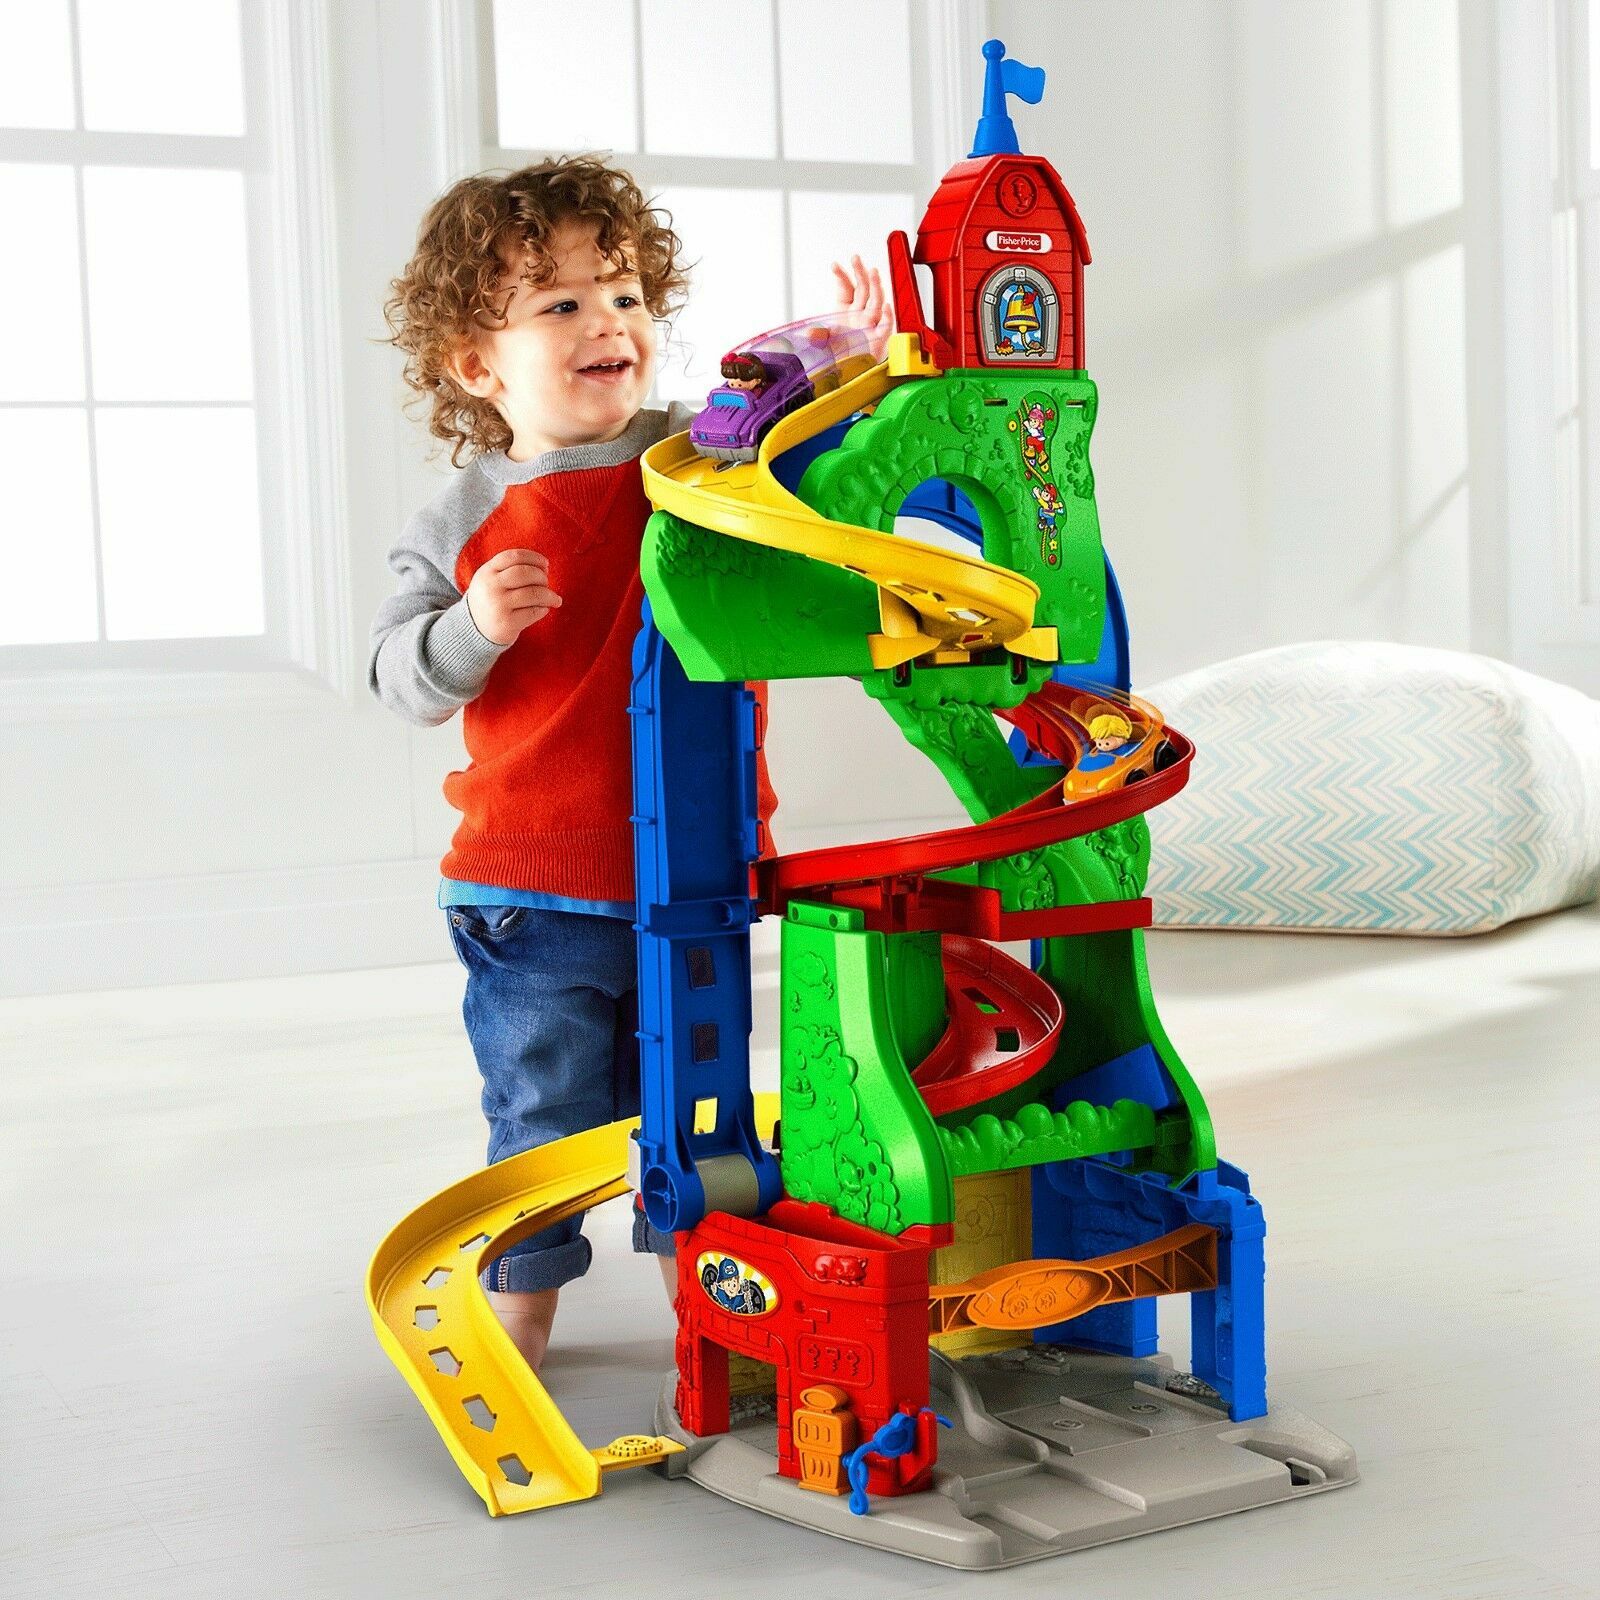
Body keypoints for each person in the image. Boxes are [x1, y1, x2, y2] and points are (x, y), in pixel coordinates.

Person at [371, 156, 889, 1374]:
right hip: (531, 891)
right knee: (543, 1114)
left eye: (625, 296)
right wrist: (472, 627)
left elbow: (798, 441)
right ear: (477, 364)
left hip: (695, 873)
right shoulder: (463, 518)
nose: (607, 321)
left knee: (698, 1111)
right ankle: (521, 1317)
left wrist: (847, 358)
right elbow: (399, 677)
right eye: (560, 304)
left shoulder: (697, 460)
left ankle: (705, 1306)